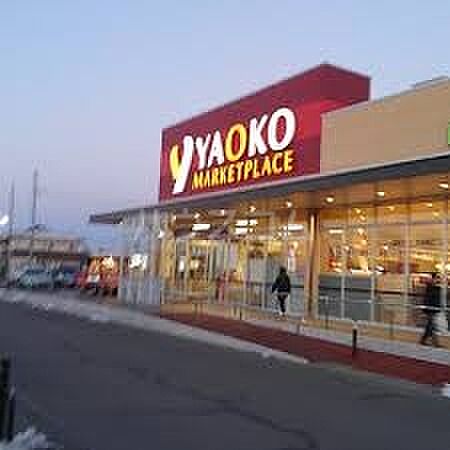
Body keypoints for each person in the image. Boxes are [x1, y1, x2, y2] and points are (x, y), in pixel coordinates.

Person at [420, 272, 441, 347]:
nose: (438, 280)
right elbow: (430, 299)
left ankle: (423, 340)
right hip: (430, 309)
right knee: (431, 326)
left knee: (430, 326)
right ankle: (435, 343)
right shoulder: (431, 287)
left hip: (432, 309)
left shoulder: (433, 287)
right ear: (434, 278)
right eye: (437, 278)